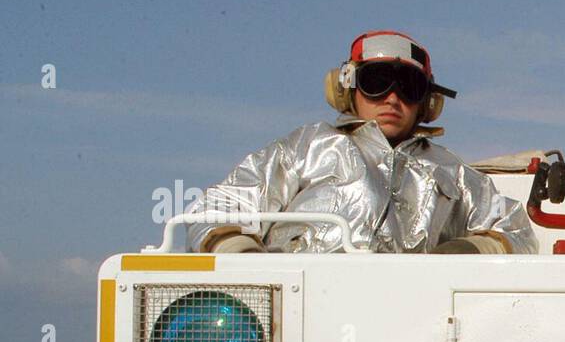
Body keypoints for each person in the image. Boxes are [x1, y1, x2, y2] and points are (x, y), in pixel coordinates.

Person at [187, 30, 537, 255]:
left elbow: (515, 229)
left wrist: (467, 250)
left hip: (410, 320)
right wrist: (245, 258)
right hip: (300, 311)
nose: (392, 99)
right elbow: (220, 205)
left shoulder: (451, 170)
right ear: (347, 87)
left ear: (428, 102)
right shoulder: (310, 146)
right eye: (377, 82)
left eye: (409, 88)